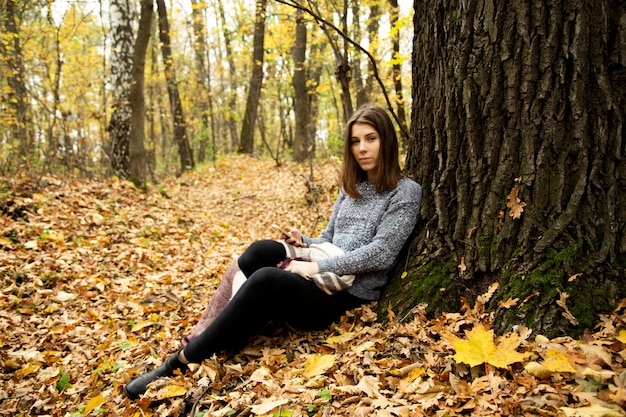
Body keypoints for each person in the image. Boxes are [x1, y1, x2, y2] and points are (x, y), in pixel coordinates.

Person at [123, 104, 422, 399]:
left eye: (371, 138)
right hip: (322, 274)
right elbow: (328, 237)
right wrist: (304, 240)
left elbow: (382, 253)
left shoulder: (405, 191)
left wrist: (313, 267)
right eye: (355, 141)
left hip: (347, 296)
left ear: (387, 140)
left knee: (266, 279)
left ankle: (180, 361)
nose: (362, 148)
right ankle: (215, 331)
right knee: (259, 251)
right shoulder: (350, 187)